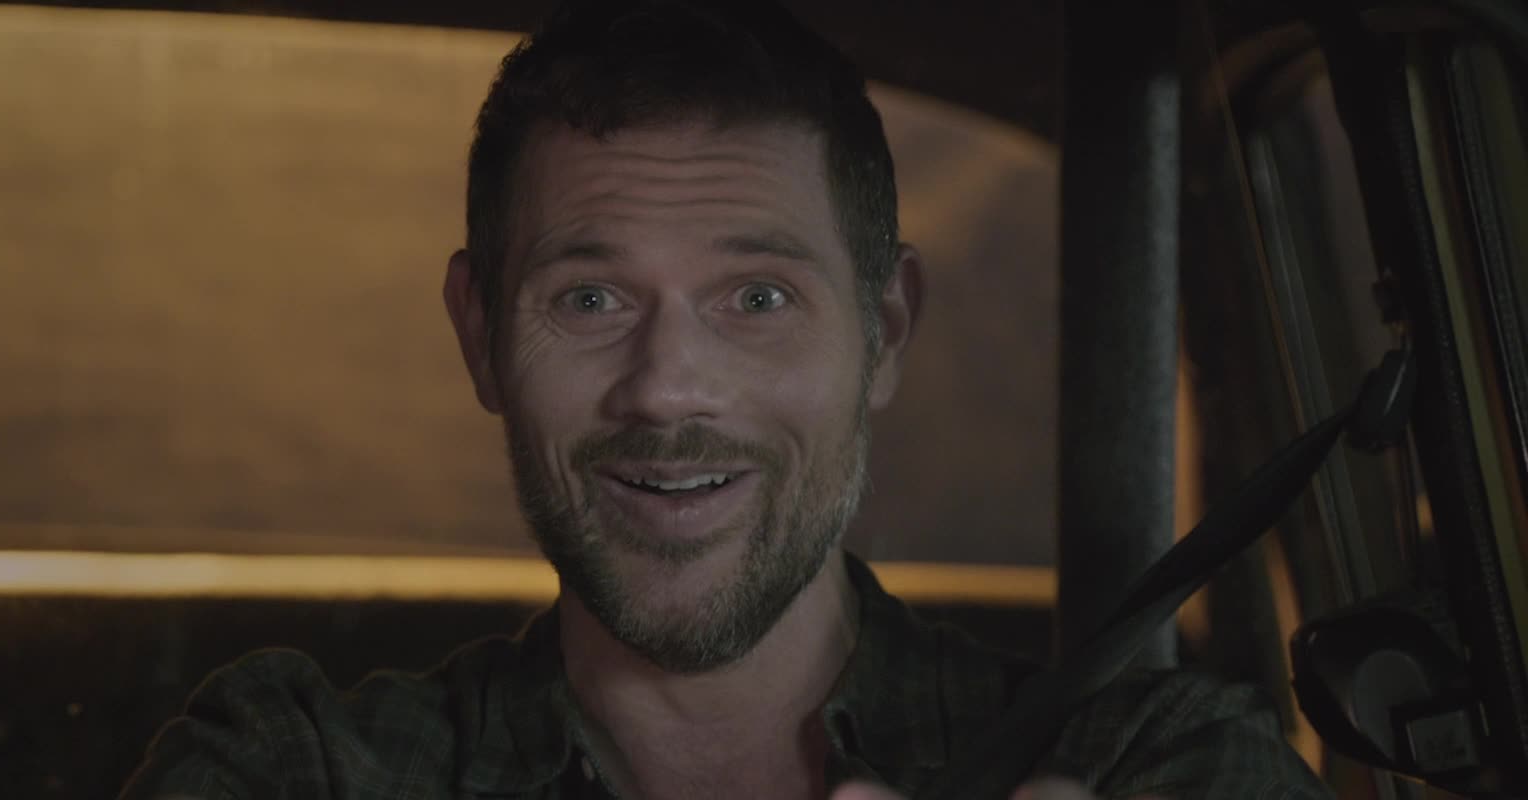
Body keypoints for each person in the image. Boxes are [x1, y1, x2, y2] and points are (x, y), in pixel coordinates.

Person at [121, 1, 1331, 798]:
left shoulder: (1157, 767)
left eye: (757, 297)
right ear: (480, 338)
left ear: (885, 330)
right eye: (590, 298)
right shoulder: (298, 769)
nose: (667, 385)